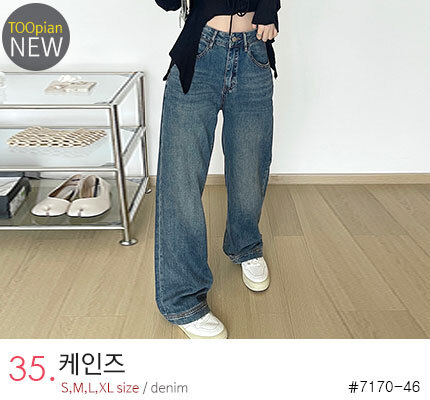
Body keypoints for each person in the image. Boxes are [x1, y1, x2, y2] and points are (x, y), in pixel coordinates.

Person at [154, 0, 281, 339]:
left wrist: (270, 7)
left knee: (250, 166)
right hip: (201, 52)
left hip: (254, 52)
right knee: (180, 180)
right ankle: (182, 300)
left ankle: (245, 245)